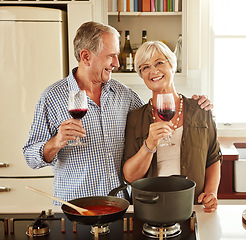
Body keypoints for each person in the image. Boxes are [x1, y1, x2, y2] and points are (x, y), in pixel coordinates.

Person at [23, 21, 211, 205]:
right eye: (111, 56)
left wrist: (195, 105)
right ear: (86, 56)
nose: (116, 63)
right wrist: (55, 142)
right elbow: (30, 157)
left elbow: (153, 116)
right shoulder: (52, 96)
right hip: (76, 208)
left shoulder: (125, 95)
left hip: (120, 207)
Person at [123, 41, 222, 213]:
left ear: (172, 65)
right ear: (141, 75)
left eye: (159, 62)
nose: (153, 70)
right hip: (150, 210)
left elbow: (213, 158)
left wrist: (211, 192)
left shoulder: (201, 110)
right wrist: (150, 144)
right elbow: (130, 176)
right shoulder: (135, 117)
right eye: (145, 67)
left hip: (192, 207)